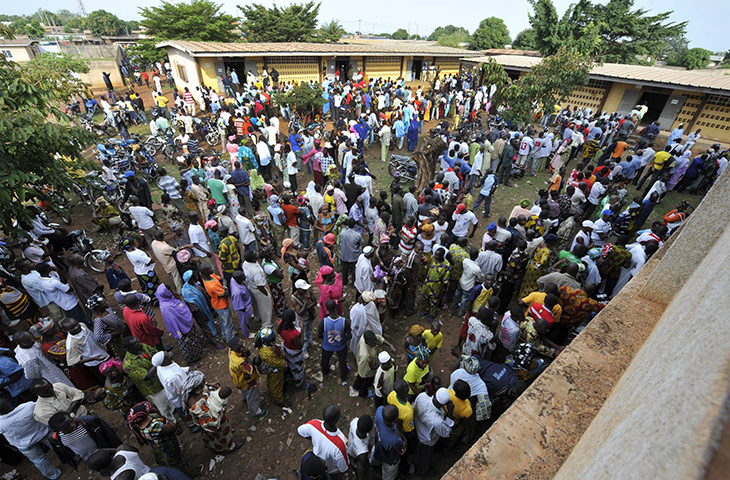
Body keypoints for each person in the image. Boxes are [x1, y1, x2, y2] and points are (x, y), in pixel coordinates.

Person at [182, 370, 243, 453]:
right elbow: (213, 423)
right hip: (212, 423)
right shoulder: (197, 406)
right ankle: (227, 447)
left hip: (206, 420)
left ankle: (211, 445)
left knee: (209, 436)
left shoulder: (191, 391)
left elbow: (203, 388)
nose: (205, 384)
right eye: (203, 383)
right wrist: (219, 407)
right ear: (198, 388)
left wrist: (209, 384)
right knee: (220, 434)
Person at [0, 399, 62, 479]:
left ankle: (53, 475)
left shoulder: (1, 423)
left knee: (39, 460)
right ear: (8, 403)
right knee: (58, 447)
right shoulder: (27, 407)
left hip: (23, 444)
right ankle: (71, 459)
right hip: (42, 433)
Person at [122, 337, 175, 422]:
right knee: (164, 409)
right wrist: (161, 359)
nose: (140, 344)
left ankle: (175, 414)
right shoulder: (128, 364)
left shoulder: (143, 347)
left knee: (172, 400)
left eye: (138, 341)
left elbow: (156, 354)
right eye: (136, 344)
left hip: (164, 378)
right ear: (128, 349)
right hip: (154, 388)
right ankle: (172, 424)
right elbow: (147, 376)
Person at [127, 401, 188, 473]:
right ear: (144, 415)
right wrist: (163, 418)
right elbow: (173, 427)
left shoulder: (140, 425)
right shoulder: (153, 427)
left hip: (159, 447)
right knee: (175, 462)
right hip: (167, 446)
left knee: (169, 460)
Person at [48, 412, 121, 468]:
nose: (72, 425)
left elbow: (110, 435)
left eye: (71, 421)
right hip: (90, 460)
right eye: (66, 427)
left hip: (109, 452)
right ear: (57, 430)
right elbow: (62, 452)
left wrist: (116, 450)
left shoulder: (89, 422)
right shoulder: (55, 439)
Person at [155, 284, 205, 364]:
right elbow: (173, 321)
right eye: (170, 290)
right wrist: (181, 331)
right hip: (182, 329)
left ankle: (198, 353)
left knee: (193, 341)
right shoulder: (167, 307)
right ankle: (192, 359)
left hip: (186, 324)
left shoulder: (169, 300)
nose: (172, 291)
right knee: (188, 344)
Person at [297, 405, 349, 479]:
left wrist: (313, 439)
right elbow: (343, 468)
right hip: (332, 471)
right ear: (337, 419)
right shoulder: (340, 443)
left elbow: (300, 431)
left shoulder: (314, 424)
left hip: (315, 464)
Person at [413, 388, 454, 476]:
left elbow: (414, 406)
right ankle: (423, 472)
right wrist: (450, 412)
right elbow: (447, 433)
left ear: (434, 394)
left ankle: (418, 461)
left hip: (418, 429)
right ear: (445, 404)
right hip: (428, 440)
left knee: (420, 450)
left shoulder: (422, 396)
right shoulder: (437, 421)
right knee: (426, 457)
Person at [228, 338, 267, 419]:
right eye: (240, 348)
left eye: (242, 346)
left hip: (238, 379)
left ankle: (244, 399)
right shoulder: (240, 362)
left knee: (244, 391)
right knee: (252, 395)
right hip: (247, 381)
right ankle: (255, 412)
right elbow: (250, 370)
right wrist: (255, 361)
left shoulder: (231, 352)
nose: (242, 348)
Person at [200, 262, 235, 342]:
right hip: (221, 305)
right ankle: (230, 339)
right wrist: (225, 287)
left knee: (223, 321)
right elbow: (225, 293)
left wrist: (224, 287)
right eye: (209, 269)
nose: (212, 269)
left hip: (217, 303)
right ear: (205, 272)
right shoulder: (212, 285)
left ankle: (225, 334)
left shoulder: (210, 276)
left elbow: (223, 280)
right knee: (227, 323)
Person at [319, 299, 350, 386]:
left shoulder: (323, 322)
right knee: (342, 361)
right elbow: (349, 335)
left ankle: (325, 371)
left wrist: (325, 339)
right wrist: (343, 339)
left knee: (325, 360)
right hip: (341, 346)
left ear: (327, 309)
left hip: (327, 346)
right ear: (336, 307)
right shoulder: (345, 321)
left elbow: (319, 334)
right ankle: (343, 375)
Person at [255, 327, 287, 406]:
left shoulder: (264, 346)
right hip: (275, 370)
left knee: (273, 382)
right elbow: (277, 363)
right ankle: (279, 400)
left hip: (273, 368)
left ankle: (274, 389)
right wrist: (284, 363)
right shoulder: (267, 354)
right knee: (276, 384)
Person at [242, 249, 273, 329]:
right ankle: (266, 325)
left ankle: (257, 316)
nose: (257, 253)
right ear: (253, 259)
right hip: (258, 289)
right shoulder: (256, 271)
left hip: (251, 286)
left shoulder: (245, 263)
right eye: (254, 253)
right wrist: (266, 294)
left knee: (255, 304)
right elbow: (260, 286)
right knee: (265, 306)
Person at [372, 404, 404, 480]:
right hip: (388, 458)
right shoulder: (394, 440)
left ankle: (373, 466)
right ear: (394, 421)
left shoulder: (379, 411)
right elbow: (401, 451)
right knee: (388, 476)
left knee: (374, 458)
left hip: (378, 447)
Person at [277, 309, 305, 388]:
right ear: (292, 319)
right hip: (295, 351)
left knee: (289, 362)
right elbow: (300, 346)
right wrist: (302, 330)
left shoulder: (280, 325)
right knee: (297, 368)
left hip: (286, 347)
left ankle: (290, 373)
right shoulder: (294, 333)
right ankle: (298, 382)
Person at [421, 248, 451, 320]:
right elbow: (427, 268)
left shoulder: (446, 265)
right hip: (427, 283)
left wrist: (440, 292)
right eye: (435, 256)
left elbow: (445, 281)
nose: (436, 258)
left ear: (442, 256)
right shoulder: (432, 258)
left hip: (436, 286)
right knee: (425, 298)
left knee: (434, 302)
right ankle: (425, 310)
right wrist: (423, 281)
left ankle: (431, 314)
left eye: (438, 257)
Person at [347, 414, 373, 480]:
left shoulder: (354, 422)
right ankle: (353, 462)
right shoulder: (363, 452)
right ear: (369, 431)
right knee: (362, 464)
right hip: (356, 455)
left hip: (350, 449)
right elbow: (360, 469)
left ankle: (352, 460)